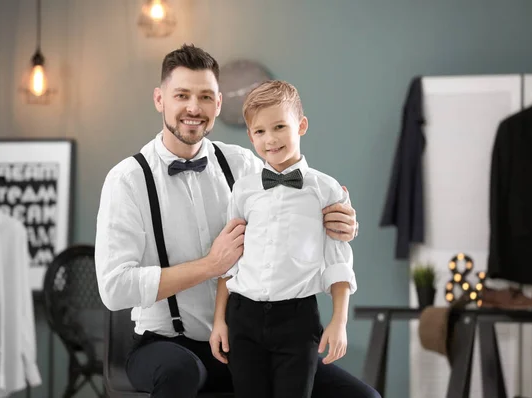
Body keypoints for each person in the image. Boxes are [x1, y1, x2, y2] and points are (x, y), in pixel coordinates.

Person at [95, 44, 381, 398]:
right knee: (180, 372)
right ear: (159, 99)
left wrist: (342, 223)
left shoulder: (244, 165)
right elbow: (114, 289)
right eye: (181, 95)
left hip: (243, 341)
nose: (193, 108)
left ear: (218, 104)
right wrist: (209, 266)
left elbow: (299, 206)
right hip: (163, 345)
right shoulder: (127, 179)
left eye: (205, 96)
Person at [210, 80, 357, 398]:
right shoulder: (244, 190)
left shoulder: (326, 190)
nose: (270, 139)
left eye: (280, 126)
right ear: (250, 136)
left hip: (297, 321)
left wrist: (339, 321)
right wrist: (219, 321)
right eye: (260, 131)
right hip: (243, 319)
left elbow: (338, 262)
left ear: (301, 125)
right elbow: (230, 260)